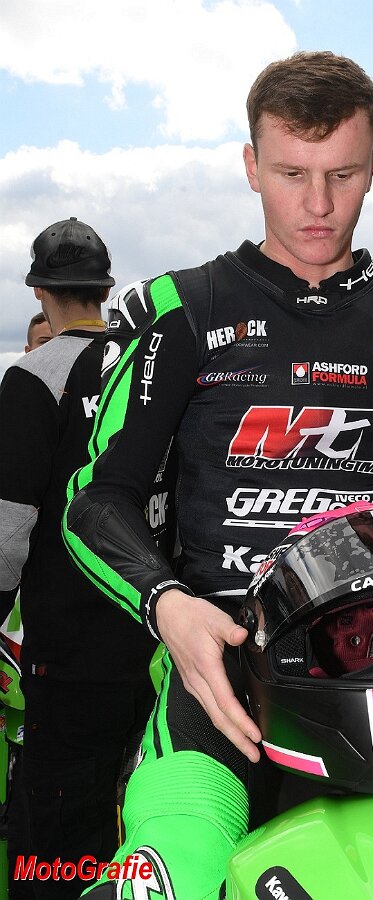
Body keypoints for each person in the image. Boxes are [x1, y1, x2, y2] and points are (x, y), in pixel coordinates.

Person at [63, 52, 373, 897]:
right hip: (224, 669)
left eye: (342, 175)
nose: (318, 204)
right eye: (292, 174)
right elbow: (95, 502)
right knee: (177, 869)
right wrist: (165, 604)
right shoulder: (181, 311)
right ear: (252, 166)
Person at [0, 218, 159, 900]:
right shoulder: (149, 368)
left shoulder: (33, 378)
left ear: (39, 291)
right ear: (105, 288)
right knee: (142, 818)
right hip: (159, 644)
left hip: (69, 655)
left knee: (56, 835)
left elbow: (8, 529)